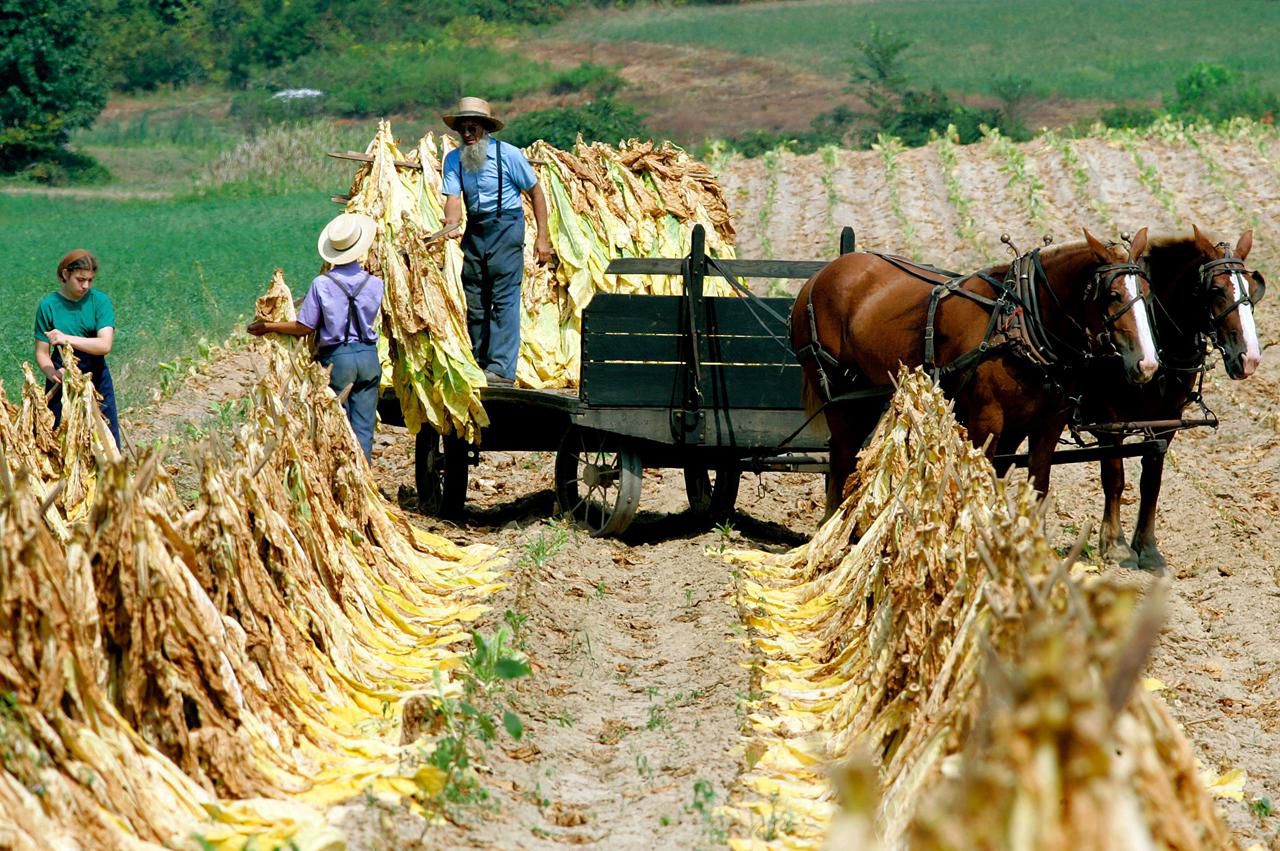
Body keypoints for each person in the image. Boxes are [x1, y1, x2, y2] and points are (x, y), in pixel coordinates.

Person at [248, 213, 384, 461]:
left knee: (335, 428)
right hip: (368, 357)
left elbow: (305, 326)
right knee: (363, 430)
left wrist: (268, 326)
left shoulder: (322, 283)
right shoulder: (376, 284)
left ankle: (340, 484)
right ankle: (363, 482)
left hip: (338, 360)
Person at [440, 96, 552, 386]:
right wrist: (451, 224)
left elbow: (536, 193)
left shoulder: (509, 155)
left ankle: (501, 368)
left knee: (503, 299)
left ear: (485, 129)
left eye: (472, 128)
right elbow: (453, 198)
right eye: (462, 129)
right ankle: (479, 361)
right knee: (475, 298)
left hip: (507, 226)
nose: (466, 134)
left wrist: (543, 237)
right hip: (476, 229)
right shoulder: (454, 159)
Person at [34, 249, 121, 447]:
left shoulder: (100, 301)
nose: (85, 285)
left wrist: (65, 339)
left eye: (90, 280)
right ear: (66, 274)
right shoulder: (48, 306)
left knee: (107, 440)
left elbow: (104, 345)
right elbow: (42, 353)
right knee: (61, 442)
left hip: (96, 376)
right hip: (62, 379)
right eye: (80, 279)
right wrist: (53, 373)